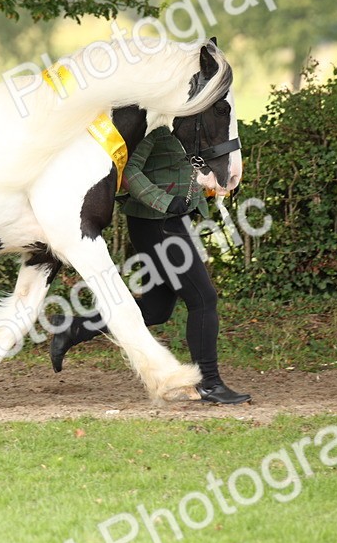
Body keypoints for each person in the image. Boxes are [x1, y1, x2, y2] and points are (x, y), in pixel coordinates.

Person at [49, 125, 251, 405]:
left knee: (156, 309)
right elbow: (130, 172)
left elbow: (186, 169)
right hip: (157, 225)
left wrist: (215, 180)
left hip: (169, 224)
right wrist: (167, 202)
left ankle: (75, 328)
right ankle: (209, 383)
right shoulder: (156, 128)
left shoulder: (187, 130)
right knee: (203, 299)